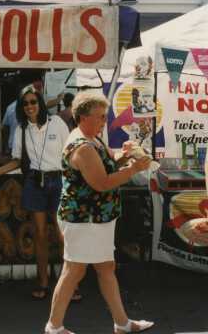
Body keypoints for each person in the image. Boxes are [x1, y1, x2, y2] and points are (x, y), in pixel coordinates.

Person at [44, 91, 154, 334]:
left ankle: (122, 323)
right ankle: (53, 327)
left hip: (95, 219)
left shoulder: (91, 137)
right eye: (100, 117)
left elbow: (107, 160)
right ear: (82, 117)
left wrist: (123, 154)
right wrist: (134, 167)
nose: (104, 121)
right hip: (84, 219)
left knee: (104, 268)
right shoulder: (82, 146)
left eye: (105, 116)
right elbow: (102, 182)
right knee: (74, 271)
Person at [0, 84, 69, 299]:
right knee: (40, 235)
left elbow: (70, 154)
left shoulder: (57, 123)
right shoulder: (21, 129)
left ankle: (68, 285)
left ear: (41, 103)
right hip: (35, 182)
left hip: (58, 181)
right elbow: (17, 160)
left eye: (33, 102)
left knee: (63, 234)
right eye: (25, 103)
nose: (29, 106)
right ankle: (43, 282)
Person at [2, 80, 64, 154]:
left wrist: (5, 146)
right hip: (23, 147)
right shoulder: (34, 105)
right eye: (25, 104)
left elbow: (4, 127)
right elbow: (47, 104)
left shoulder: (10, 107)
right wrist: (60, 97)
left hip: (12, 146)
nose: (29, 106)